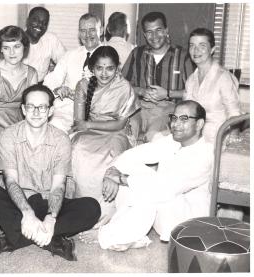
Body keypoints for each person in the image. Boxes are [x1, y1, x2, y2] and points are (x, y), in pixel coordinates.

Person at [0, 84, 101, 261]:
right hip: (18, 203)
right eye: (30, 106)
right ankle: (52, 239)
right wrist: (27, 213)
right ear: (23, 110)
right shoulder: (8, 136)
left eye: (42, 107)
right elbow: (10, 181)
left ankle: (16, 236)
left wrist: (50, 218)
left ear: (50, 111)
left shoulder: (61, 139)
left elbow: (59, 186)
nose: (36, 112)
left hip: (49, 201)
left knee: (92, 207)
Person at [79, 100, 213, 250]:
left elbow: (165, 189)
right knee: (131, 170)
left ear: (200, 124)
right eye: (174, 118)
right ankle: (129, 235)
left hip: (185, 222)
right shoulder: (173, 142)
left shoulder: (205, 154)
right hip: (164, 211)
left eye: (184, 119)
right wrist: (113, 171)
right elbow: (136, 154)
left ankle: (110, 234)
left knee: (147, 189)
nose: (175, 124)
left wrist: (122, 179)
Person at [70, 46, 140, 227]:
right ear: (92, 68)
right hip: (87, 132)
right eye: (99, 68)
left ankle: (104, 217)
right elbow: (79, 121)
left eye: (109, 68)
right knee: (77, 150)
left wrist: (90, 124)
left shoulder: (124, 87)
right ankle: (79, 210)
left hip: (115, 133)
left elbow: (119, 124)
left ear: (117, 68)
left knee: (112, 155)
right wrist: (87, 126)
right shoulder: (83, 85)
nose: (104, 73)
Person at [122, 11, 195, 142]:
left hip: (167, 110)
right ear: (144, 34)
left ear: (166, 30)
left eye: (158, 30)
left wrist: (167, 94)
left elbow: (193, 93)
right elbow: (120, 85)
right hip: (138, 108)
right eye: (149, 32)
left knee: (153, 137)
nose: (154, 36)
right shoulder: (136, 54)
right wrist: (140, 91)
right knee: (126, 134)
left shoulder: (183, 56)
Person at [0, 25, 38, 164]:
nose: (12, 52)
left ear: (25, 47)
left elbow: (32, 107)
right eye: (6, 47)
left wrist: (27, 128)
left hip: (20, 119)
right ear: (0, 50)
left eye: (17, 46)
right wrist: (11, 129)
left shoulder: (32, 73)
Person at [44, 13, 103, 133]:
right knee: (51, 129)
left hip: (96, 112)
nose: (87, 35)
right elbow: (53, 79)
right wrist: (57, 89)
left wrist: (77, 95)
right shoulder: (69, 55)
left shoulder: (109, 57)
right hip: (66, 110)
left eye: (92, 30)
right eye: (83, 31)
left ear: (101, 30)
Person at [184, 27, 241, 144]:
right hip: (193, 137)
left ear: (212, 49)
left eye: (202, 46)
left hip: (217, 138)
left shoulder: (224, 77)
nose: (195, 50)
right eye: (192, 45)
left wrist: (234, 138)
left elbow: (234, 114)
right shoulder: (191, 80)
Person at [23, 6, 66, 83]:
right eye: (36, 20)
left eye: (44, 23)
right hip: (17, 88)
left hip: (40, 86)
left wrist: (54, 75)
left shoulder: (51, 39)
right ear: (27, 21)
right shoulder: (15, 39)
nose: (40, 25)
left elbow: (65, 62)